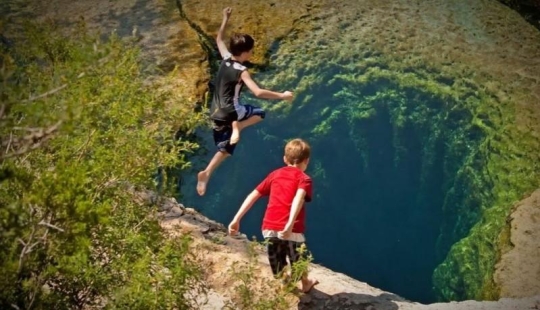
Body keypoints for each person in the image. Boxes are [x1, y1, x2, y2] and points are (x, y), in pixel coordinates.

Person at [196, 7, 294, 196]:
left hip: (215, 112)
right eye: (250, 51)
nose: (251, 54)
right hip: (232, 111)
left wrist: (225, 18)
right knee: (260, 114)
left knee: (225, 148)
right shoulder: (242, 71)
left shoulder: (225, 59)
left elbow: (218, 39)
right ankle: (238, 127)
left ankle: (207, 172)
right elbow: (257, 92)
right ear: (244, 52)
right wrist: (282, 95)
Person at [228, 138, 319, 293]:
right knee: (299, 257)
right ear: (307, 161)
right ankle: (305, 283)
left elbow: (253, 195)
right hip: (292, 229)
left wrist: (236, 219)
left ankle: (285, 283)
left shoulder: (275, 174)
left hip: (269, 226)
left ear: (285, 159)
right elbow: (299, 198)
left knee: (277, 259)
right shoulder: (305, 179)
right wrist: (289, 224)